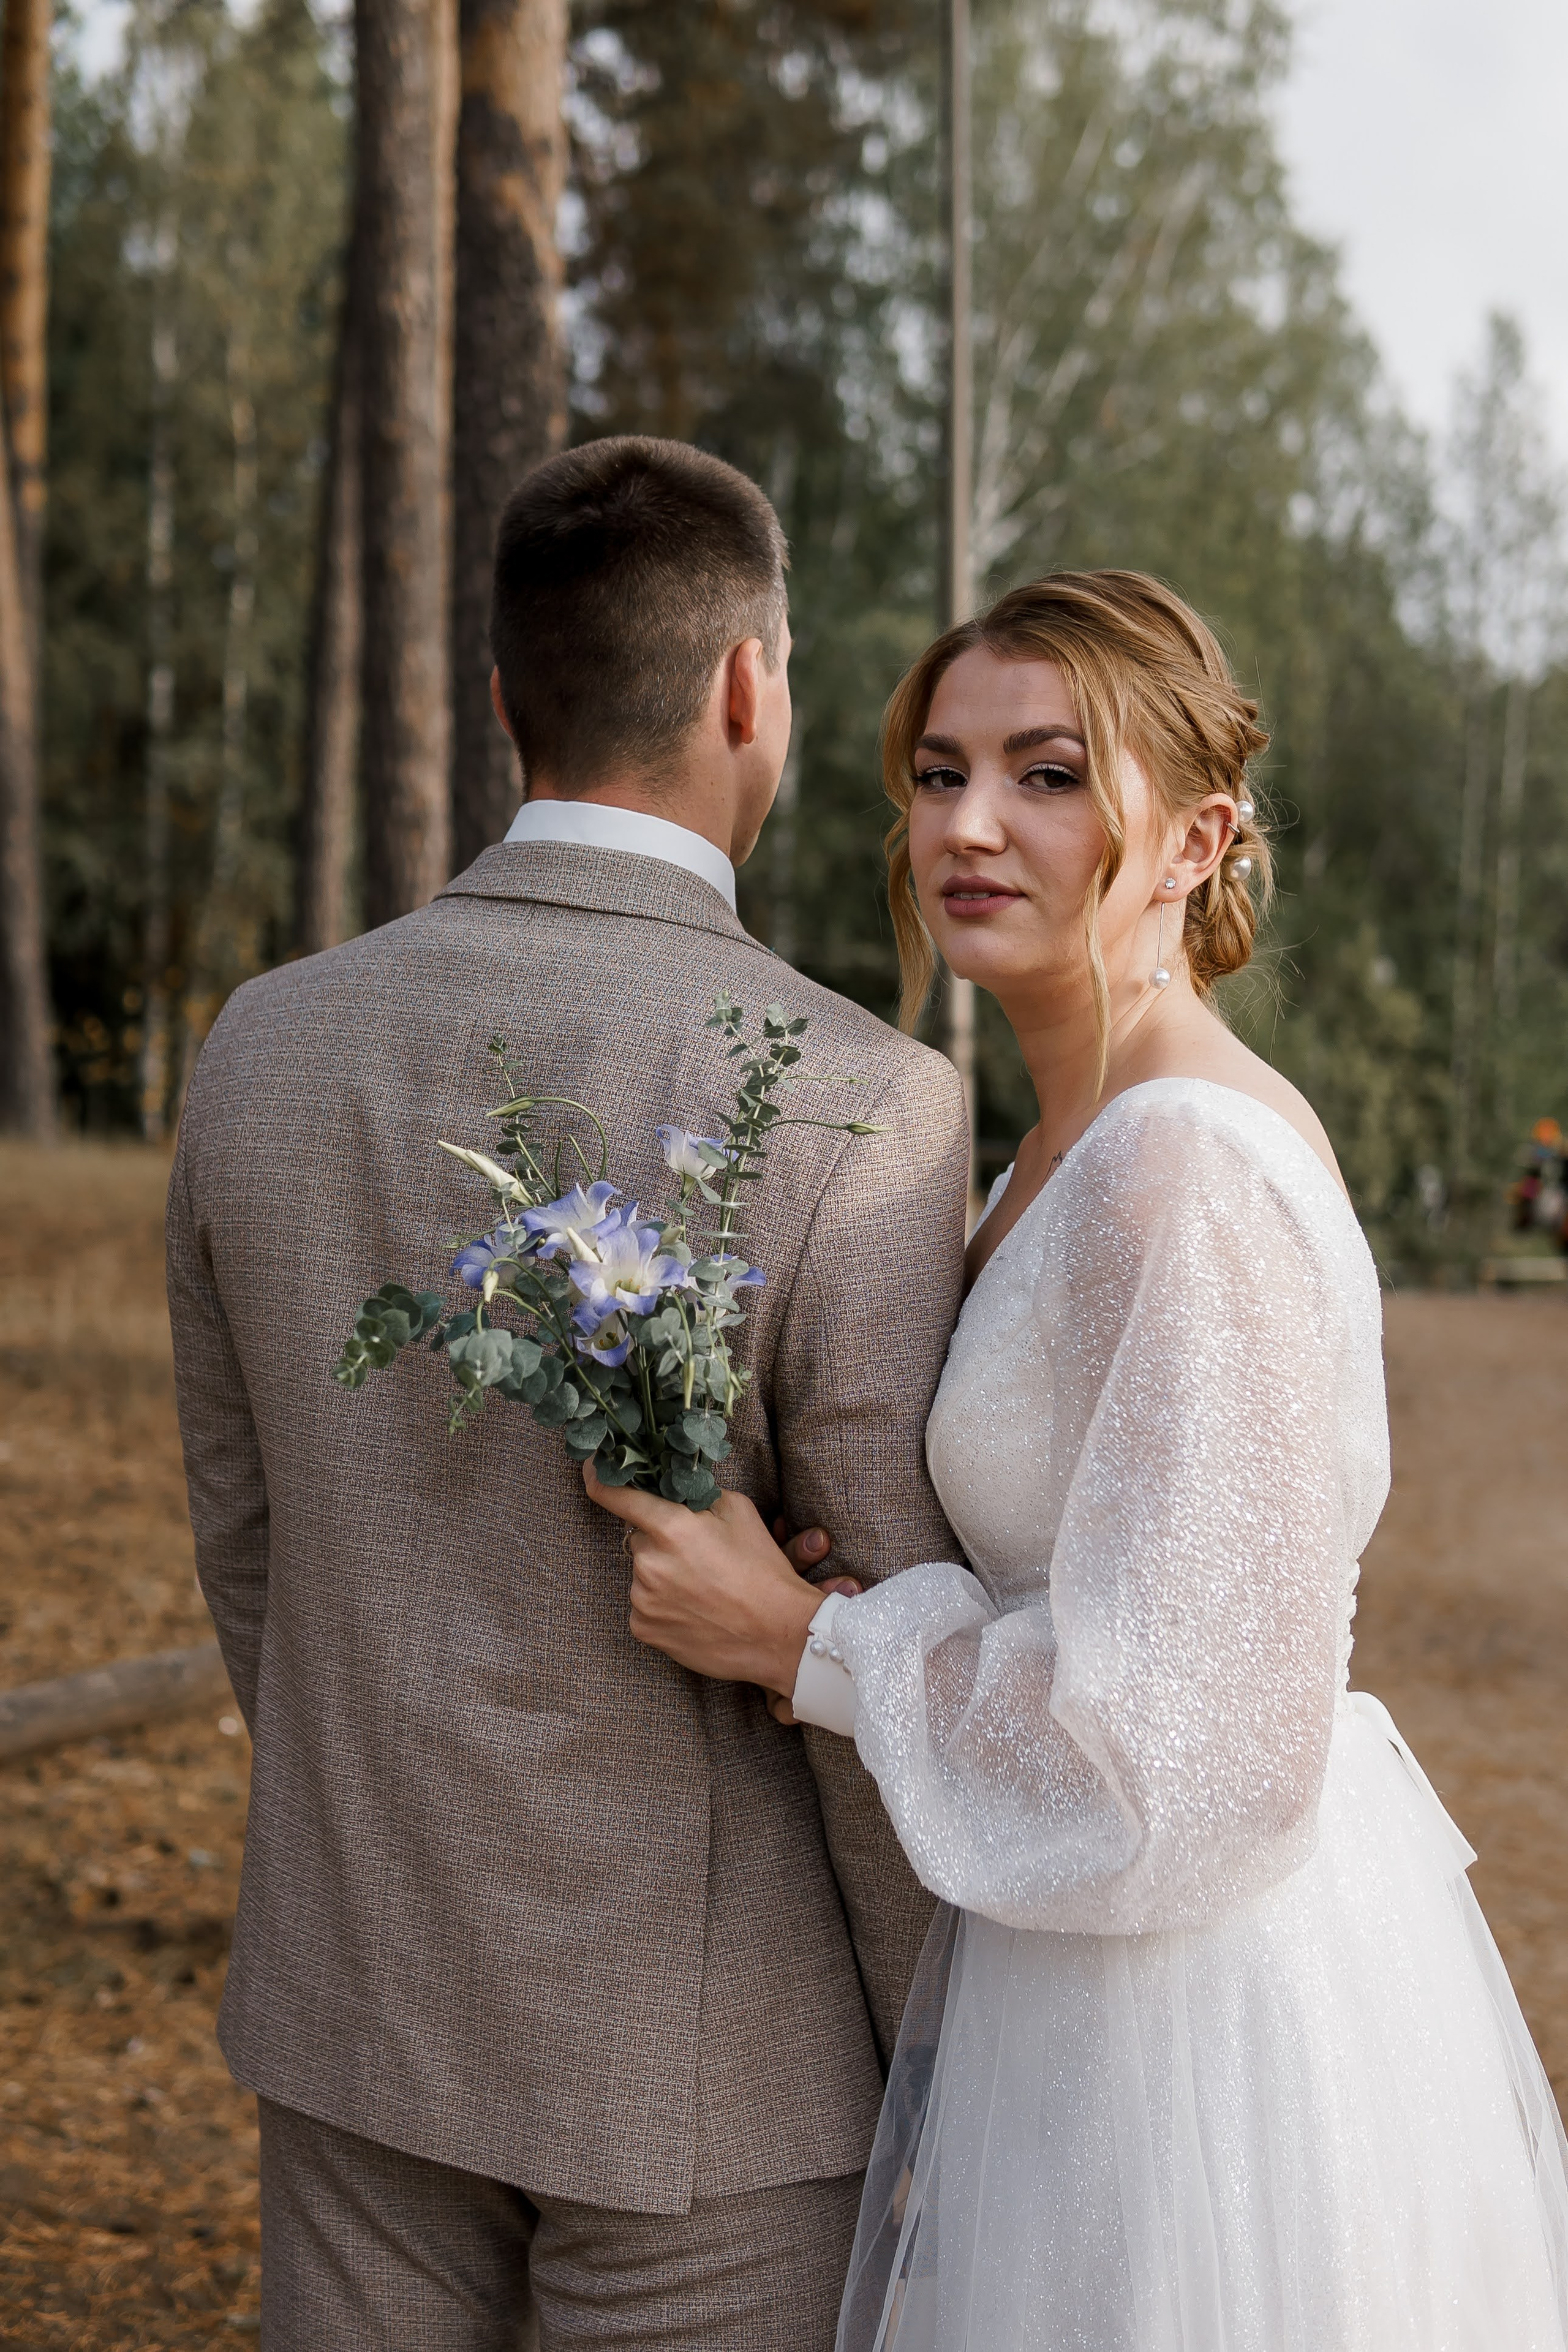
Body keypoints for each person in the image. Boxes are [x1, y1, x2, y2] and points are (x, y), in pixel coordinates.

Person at [586, 570, 1568, 2350]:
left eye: (1047, 774)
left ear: (1198, 839)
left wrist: (807, 1645)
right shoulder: (1061, 1149)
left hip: (1195, 2011)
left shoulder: (1179, 1166)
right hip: (1085, 1961)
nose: (968, 826)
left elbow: (1189, 1740)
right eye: (939, 772)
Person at [165, 436, 972, 2348]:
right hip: (720, 2083)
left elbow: (248, 1542)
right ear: (751, 687)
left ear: (505, 694)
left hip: (362, 2003)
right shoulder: (867, 1103)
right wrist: (946, 2061)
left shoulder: (260, 1047)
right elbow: (869, 1638)